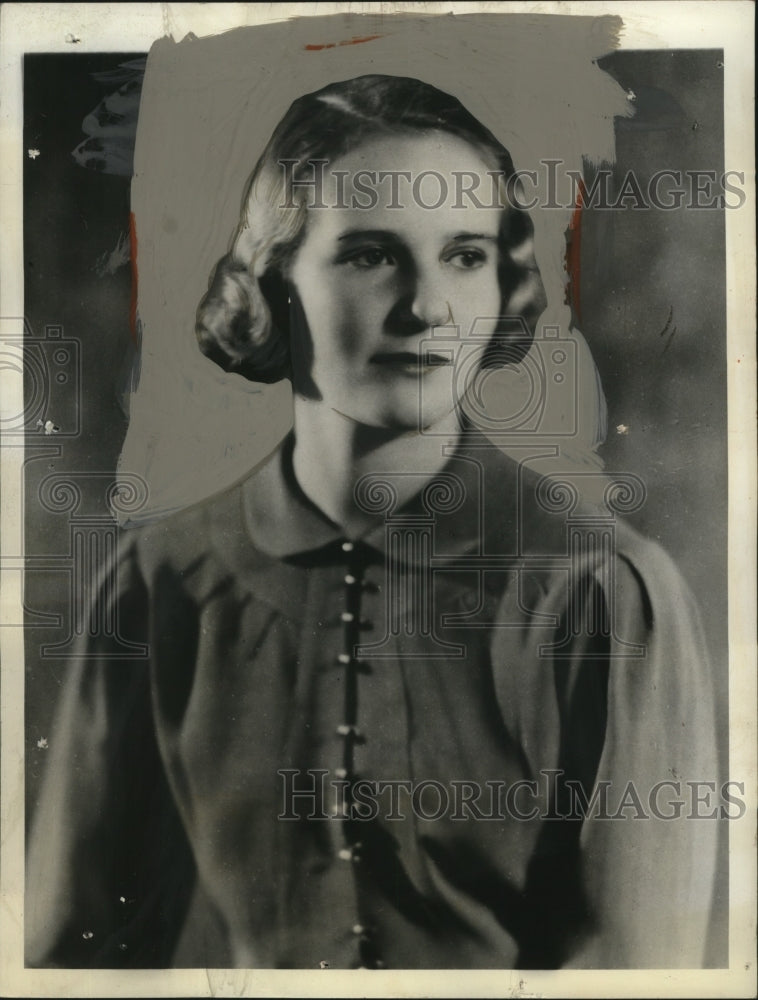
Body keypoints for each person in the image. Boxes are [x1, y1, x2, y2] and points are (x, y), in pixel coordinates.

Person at [26, 75, 719, 971]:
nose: (426, 307)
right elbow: (77, 962)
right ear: (272, 281)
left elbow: (644, 975)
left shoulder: (601, 594)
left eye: (465, 255)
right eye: (369, 255)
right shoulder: (159, 580)